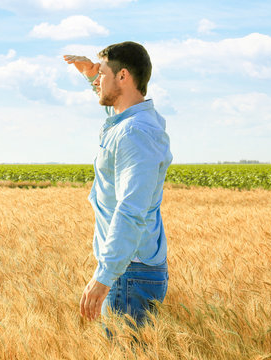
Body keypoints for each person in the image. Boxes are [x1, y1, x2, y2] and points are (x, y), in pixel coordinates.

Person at [63, 41, 173, 333]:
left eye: (104, 74)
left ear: (123, 76)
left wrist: (105, 276)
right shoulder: (134, 123)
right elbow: (116, 115)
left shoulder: (134, 133)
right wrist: (91, 76)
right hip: (133, 270)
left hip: (128, 272)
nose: (98, 80)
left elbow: (130, 209)